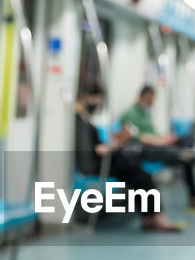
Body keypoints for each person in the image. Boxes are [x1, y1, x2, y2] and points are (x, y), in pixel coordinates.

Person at [73, 84, 180, 232]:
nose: (96, 102)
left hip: (105, 160)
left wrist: (116, 141)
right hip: (97, 164)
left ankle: (150, 216)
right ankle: (155, 216)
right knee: (140, 176)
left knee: (139, 176)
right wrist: (115, 145)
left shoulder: (85, 120)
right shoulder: (79, 123)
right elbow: (96, 151)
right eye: (94, 98)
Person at [118, 85, 195, 208]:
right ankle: (182, 154)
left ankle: (183, 155)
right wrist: (161, 141)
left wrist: (165, 139)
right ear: (141, 97)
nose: (151, 104)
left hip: (156, 144)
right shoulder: (130, 114)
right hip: (142, 149)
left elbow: (153, 134)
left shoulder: (146, 113)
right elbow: (141, 138)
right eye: (149, 101)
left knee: (186, 141)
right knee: (184, 158)